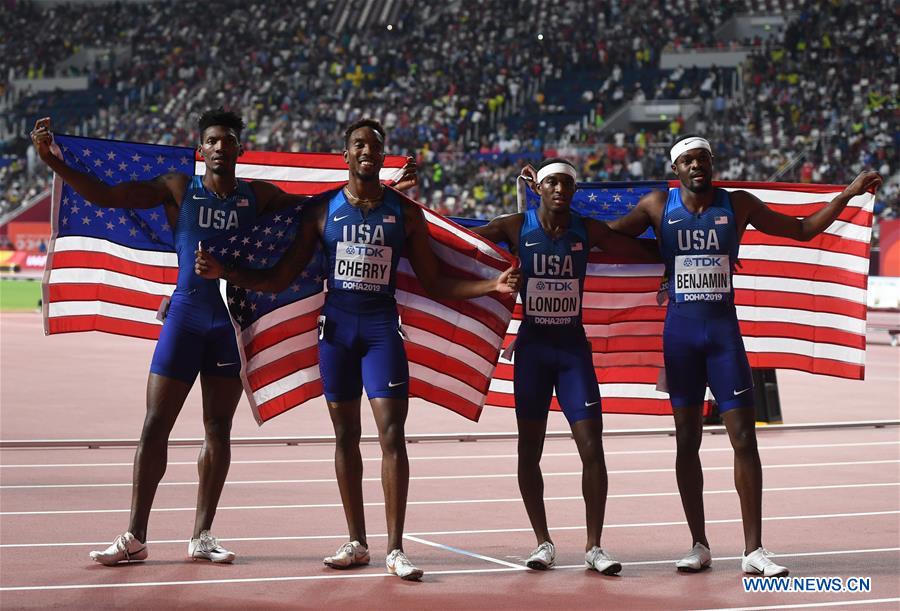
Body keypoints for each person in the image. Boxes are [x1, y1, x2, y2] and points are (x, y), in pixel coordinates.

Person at [29, 110, 416, 566]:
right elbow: (111, 196)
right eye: (211, 140)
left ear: (239, 149)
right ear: (201, 148)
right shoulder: (179, 188)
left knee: (218, 429)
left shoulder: (258, 197)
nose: (218, 147)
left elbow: (326, 204)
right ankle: (135, 534)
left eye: (227, 140)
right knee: (156, 424)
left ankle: (202, 535)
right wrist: (53, 161)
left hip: (229, 326)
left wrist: (387, 189)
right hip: (186, 317)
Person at [195, 118, 519, 580]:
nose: (367, 151)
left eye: (375, 145)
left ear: (382, 157)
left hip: (382, 332)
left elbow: (433, 282)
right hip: (337, 335)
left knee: (391, 436)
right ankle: (357, 541)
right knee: (345, 437)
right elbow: (280, 278)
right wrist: (226, 273)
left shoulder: (405, 214)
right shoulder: (322, 212)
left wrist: (492, 283)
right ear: (345, 155)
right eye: (358, 145)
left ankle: (395, 549)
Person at [608, 135, 882, 576]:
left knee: (744, 439)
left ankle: (753, 550)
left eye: (703, 158)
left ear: (712, 163)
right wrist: (542, 213)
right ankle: (698, 545)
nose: (697, 165)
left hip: (722, 338)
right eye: (688, 160)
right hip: (679, 339)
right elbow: (601, 236)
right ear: (676, 169)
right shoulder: (658, 205)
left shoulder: (738, 205)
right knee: (686, 443)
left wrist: (845, 195)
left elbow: (803, 229)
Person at [469, 158, 659, 575]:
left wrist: (685, 248)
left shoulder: (585, 229)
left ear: (573, 191)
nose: (560, 189)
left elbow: (635, 248)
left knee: (592, 448)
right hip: (534, 351)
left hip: (573, 351)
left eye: (567, 184)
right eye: (552, 182)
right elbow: (460, 243)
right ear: (538, 187)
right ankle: (543, 542)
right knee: (528, 450)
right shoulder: (513, 226)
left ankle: (595, 546)